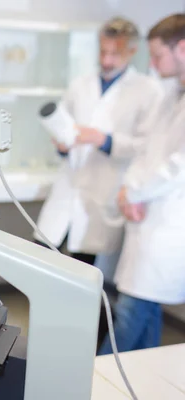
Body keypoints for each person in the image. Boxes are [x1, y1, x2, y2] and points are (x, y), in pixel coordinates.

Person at [34, 17, 164, 348]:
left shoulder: (149, 90)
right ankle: (50, 343)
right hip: (68, 193)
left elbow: (148, 147)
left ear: (132, 52)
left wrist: (104, 139)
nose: (106, 61)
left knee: (87, 286)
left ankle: (81, 354)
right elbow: (62, 127)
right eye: (102, 52)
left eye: (114, 55)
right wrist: (62, 143)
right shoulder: (81, 84)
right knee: (45, 274)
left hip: (103, 198)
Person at [98, 14, 185, 355]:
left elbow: (178, 168)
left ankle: (93, 383)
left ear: (182, 48)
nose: (152, 64)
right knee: (145, 319)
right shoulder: (170, 96)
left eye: (158, 56)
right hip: (144, 216)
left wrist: (134, 192)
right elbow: (145, 149)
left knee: (131, 315)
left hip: (167, 225)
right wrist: (127, 191)